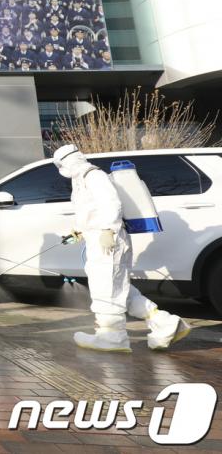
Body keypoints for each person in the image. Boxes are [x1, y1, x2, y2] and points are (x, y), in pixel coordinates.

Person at [52, 145, 190, 351]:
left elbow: (111, 203)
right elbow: (91, 210)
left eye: (61, 165)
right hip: (98, 237)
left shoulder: (93, 176)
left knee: (106, 287)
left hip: (108, 239)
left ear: (69, 161)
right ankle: (165, 323)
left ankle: (111, 336)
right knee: (119, 288)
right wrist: (79, 230)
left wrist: (109, 229)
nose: (62, 170)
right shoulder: (81, 180)